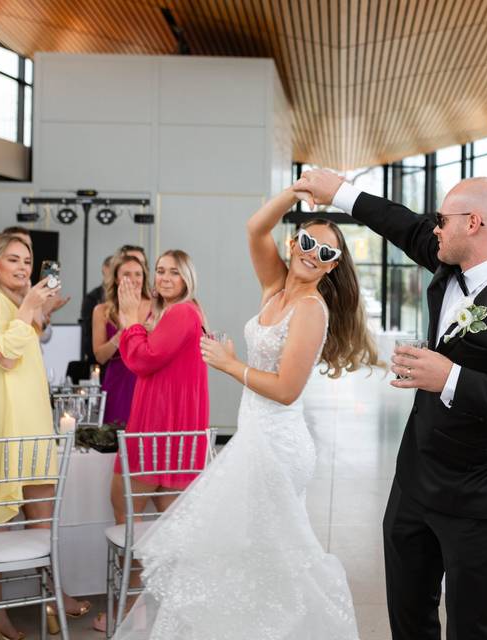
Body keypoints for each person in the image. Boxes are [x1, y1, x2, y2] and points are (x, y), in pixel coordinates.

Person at [293, 169, 487, 640]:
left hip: (474, 496)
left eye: (442, 219)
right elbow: (398, 222)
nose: (433, 227)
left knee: (469, 629)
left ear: (474, 223)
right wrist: (338, 191)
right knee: (408, 619)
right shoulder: (448, 258)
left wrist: (451, 378)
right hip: (413, 482)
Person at [112, 189, 378, 639]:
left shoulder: (312, 309)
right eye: (307, 243)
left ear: (332, 265)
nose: (313, 254)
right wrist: (294, 192)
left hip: (277, 447)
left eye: (326, 252)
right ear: (293, 245)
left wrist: (229, 363)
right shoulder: (275, 287)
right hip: (254, 440)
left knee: (262, 556)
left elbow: (288, 391)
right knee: (243, 555)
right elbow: (255, 227)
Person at [0, 233, 90, 639]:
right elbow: (3, 354)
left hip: (31, 424)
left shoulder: (15, 306)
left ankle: (53, 596)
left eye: (27, 259)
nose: (22, 266)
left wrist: (37, 312)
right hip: (2, 426)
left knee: (43, 517)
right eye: (12, 259)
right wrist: (32, 308)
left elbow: (21, 354)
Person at [94, 249, 209, 633]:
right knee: (172, 531)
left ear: (187, 277)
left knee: (125, 516)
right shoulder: (179, 312)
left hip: (159, 432)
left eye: (173, 272)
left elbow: (142, 360)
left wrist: (129, 322)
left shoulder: (182, 312)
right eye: (159, 271)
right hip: (171, 430)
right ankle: (173, 609)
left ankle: (131, 609)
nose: (163, 277)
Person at [92, 253, 151, 425]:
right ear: (117, 279)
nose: (133, 279)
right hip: (117, 381)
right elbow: (100, 356)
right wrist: (121, 335)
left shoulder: (156, 307)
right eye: (126, 274)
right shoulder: (101, 310)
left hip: (146, 379)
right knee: (115, 436)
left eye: (138, 274)